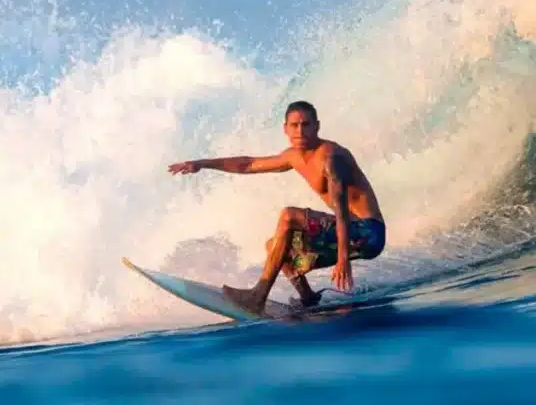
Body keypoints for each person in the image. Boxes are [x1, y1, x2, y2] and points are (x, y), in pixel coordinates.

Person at [166, 100, 387, 314]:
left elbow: (340, 210)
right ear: (285, 129)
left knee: (288, 216)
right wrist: (202, 164)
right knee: (275, 246)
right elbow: (248, 164)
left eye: (306, 124)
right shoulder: (293, 156)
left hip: (367, 232)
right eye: (294, 125)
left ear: (317, 126)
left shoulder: (331, 157)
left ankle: (257, 296)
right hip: (349, 234)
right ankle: (308, 298)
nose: (300, 131)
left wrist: (342, 259)